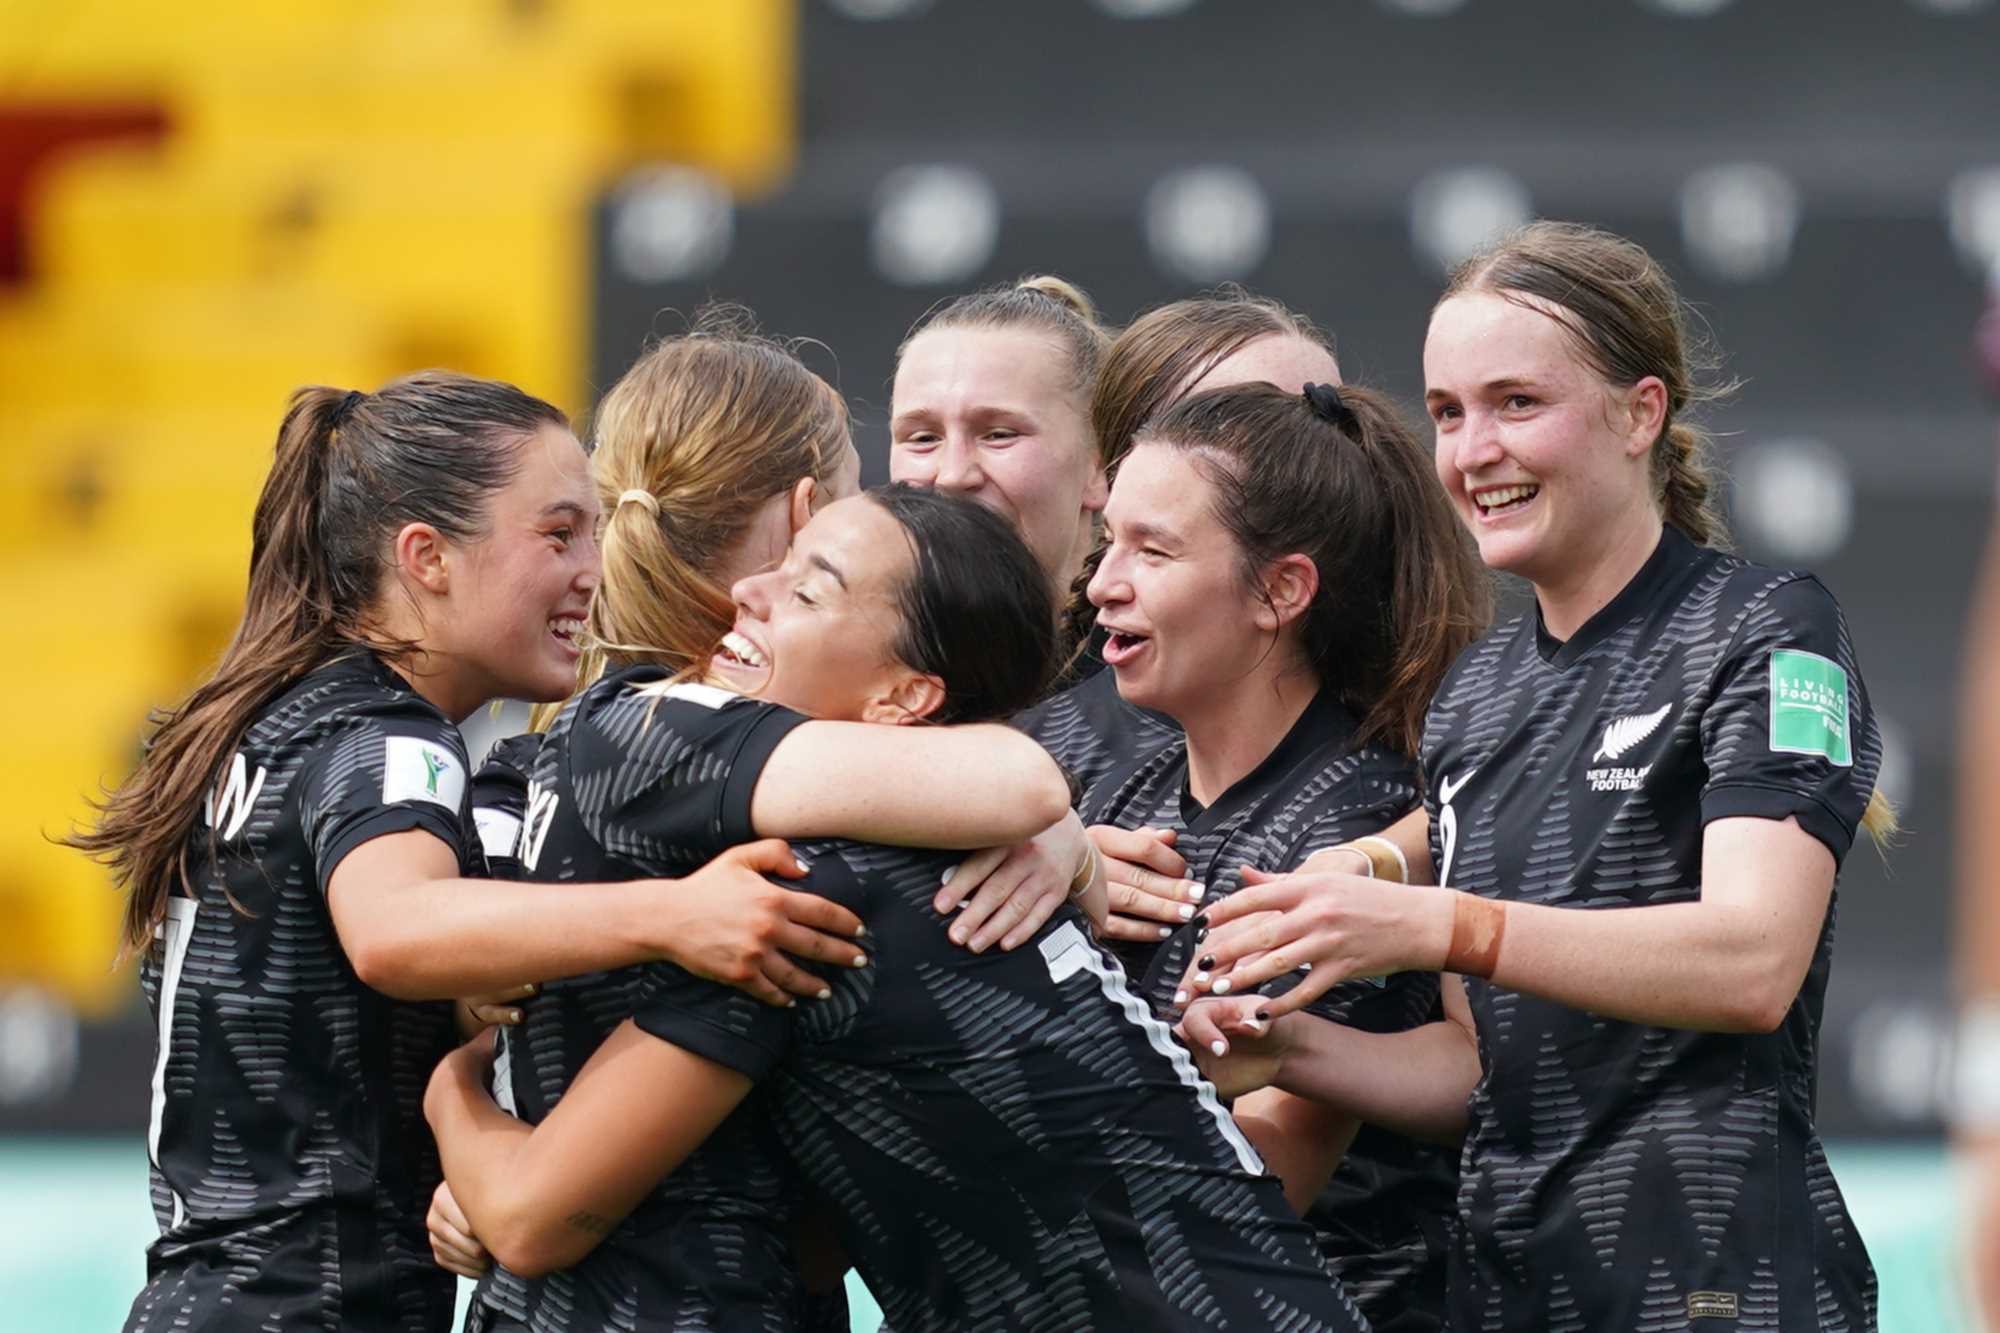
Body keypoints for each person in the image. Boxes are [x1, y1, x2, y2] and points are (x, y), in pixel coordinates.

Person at [425, 485, 1371, 1333]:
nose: (746, 597)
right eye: (776, 569)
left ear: (906, 699)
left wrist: (453, 1091)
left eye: (806, 591)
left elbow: (530, 1215)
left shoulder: (813, 891)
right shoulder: (911, 850)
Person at [1181, 221, 1897, 1331]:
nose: (1472, 451)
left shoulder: (1765, 626)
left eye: (1517, 403)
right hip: (1508, 1297)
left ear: (1638, 412)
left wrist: (1433, 922)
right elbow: (1479, 1070)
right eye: (1449, 412)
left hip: (1718, 1292)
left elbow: (1751, 961)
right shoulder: (1476, 694)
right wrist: (1293, 1048)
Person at [68, 374, 861, 1333]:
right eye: (559, 534)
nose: (593, 571)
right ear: (427, 558)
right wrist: (676, 913)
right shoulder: (391, 738)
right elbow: (396, 930)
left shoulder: (284, 719)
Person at [442, 326, 1096, 1333]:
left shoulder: (544, 754)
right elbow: (1013, 782)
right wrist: (463, 1107)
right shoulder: (689, 733)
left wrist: (474, 1135)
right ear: (808, 515)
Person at [1078, 380, 1485, 1331]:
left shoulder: (1359, 820)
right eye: (1108, 542)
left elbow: (1258, 1190)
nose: (1102, 582)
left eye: (1153, 549)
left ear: (1282, 590)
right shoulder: (1119, 804)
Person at [887, 275, 1113, 610]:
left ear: (1099, 464)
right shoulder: (835, 656)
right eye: (923, 438)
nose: (952, 476)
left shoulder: (1179, 660)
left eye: (999, 435)